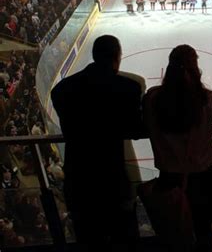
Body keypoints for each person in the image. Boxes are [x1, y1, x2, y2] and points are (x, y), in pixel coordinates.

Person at [51, 35, 143, 249]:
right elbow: (136, 129)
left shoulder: (62, 90)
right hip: (113, 182)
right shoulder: (128, 87)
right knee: (124, 238)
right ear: (117, 58)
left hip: (79, 181)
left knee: (89, 239)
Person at [143, 45, 212, 251]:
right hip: (205, 178)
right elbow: (210, 121)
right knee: (207, 233)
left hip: (169, 180)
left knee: (174, 234)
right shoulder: (207, 99)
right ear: (196, 68)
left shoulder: (152, 99)